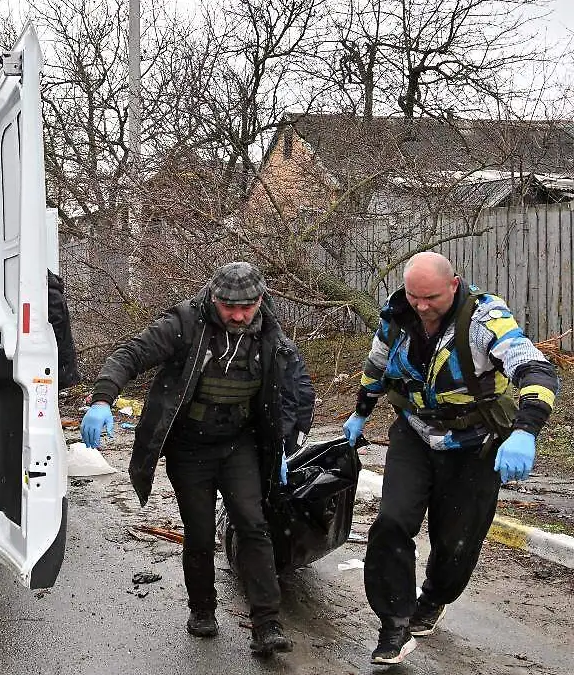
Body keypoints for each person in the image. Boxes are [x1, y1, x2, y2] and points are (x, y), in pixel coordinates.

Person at [80, 262, 315, 657]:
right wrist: (103, 398)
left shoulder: (270, 334)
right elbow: (131, 353)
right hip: (189, 446)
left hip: (239, 443)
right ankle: (202, 609)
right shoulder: (186, 322)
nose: (239, 316)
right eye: (229, 307)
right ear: (213, 298)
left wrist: (287, 444)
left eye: (247, 307)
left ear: (260, 300)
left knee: (253, 524)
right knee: (201, 531)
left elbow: (296, 388)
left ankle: (267, 623)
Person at [342, 252, 559, 665]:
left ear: (454, 285)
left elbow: (535, 369)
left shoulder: (485, 319)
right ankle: (393, 625)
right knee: (391, 522)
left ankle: (434, 599)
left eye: (431, 298)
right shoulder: (397, 314)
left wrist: (525, 431)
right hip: (414, 434)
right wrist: (360, 413)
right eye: (414, 295)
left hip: (473, 444)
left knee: (456, 543)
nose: (421, 306)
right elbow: (377, 366)